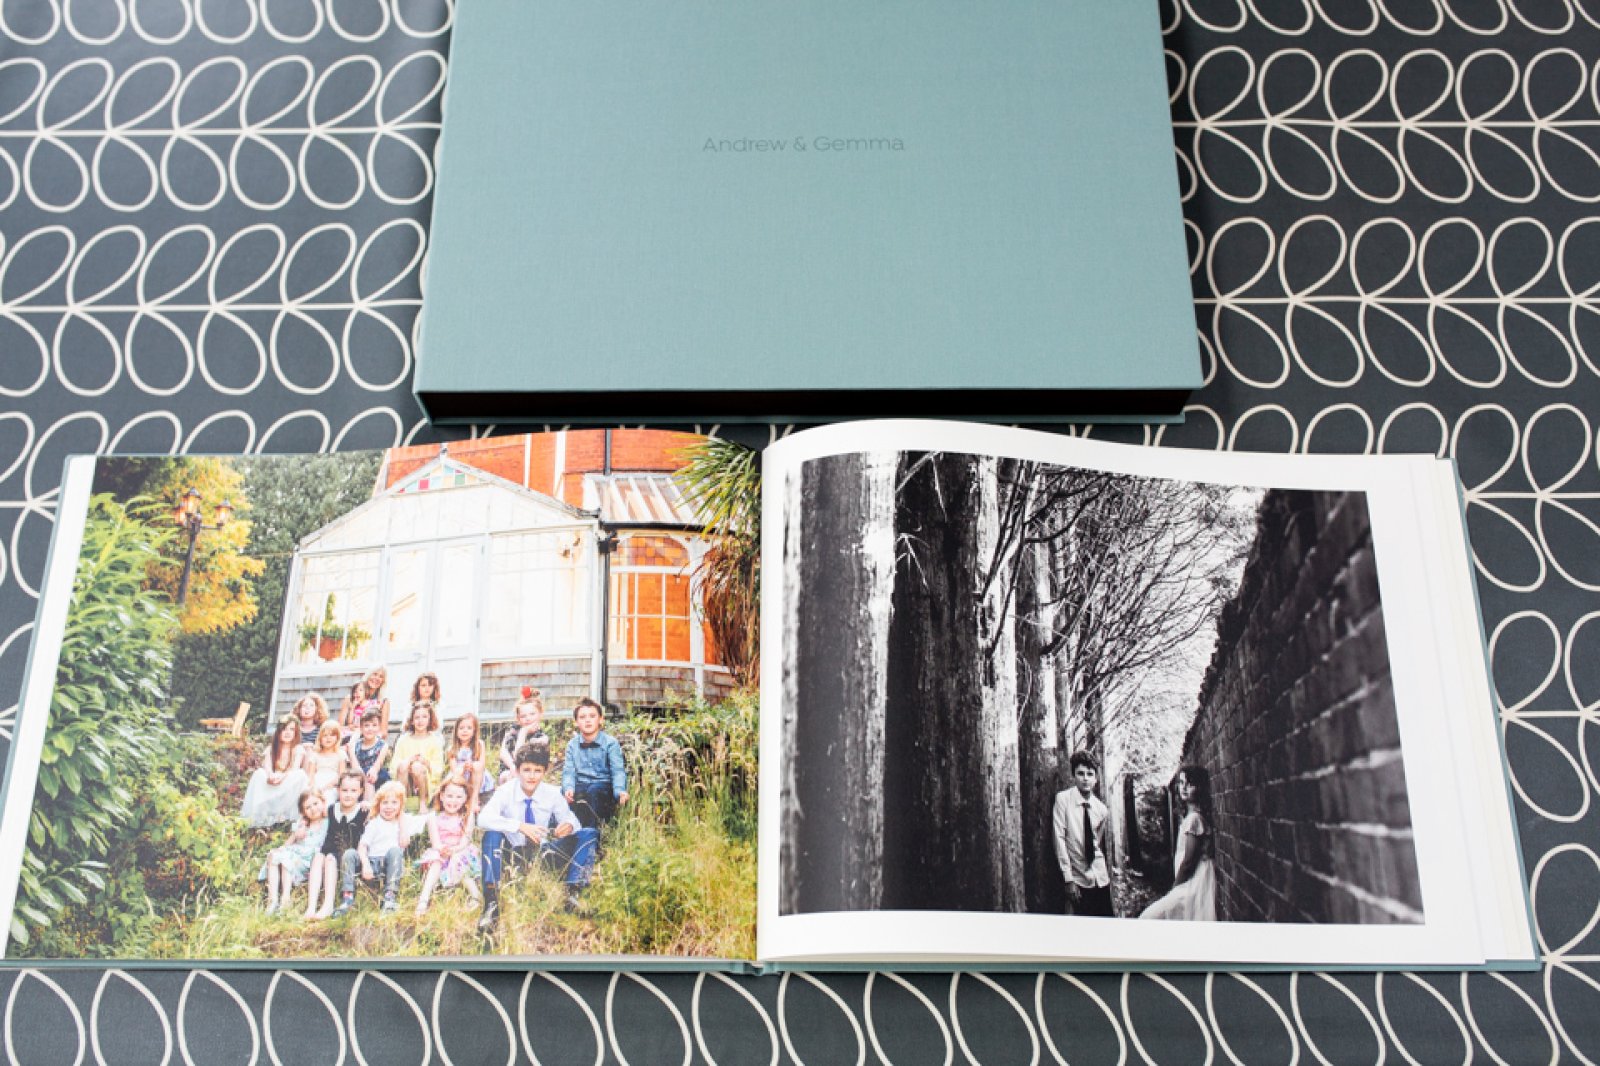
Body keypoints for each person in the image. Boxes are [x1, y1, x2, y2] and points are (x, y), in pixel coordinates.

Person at [477, 744, 599, 932]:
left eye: (537, 771)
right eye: (526, 770)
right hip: (512, 854)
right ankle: (491, 904)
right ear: (517, 770)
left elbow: (572, 820)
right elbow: (483, 819)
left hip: (542, 855)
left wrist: (568, 825)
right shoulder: (505, 792)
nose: (531, 776)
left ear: (545, 771)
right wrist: (519, 826)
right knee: (491, 834)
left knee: (589, 833)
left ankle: (573, 893)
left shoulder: (552, 793)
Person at [1140, 766, 1218, 921]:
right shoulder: (1190, 817)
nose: (1184, 788)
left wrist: (1175, 887)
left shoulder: (1194, 819)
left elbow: (1189, 861)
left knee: (1148, 917)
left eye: (1190, 784)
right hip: (1190, 880)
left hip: (1195, 881)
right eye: (1182, 783)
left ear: (1200, 788)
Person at [1052, 750, 1115, 917]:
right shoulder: (1063, 800)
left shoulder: (1101, 809)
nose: (1085, 778)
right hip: (1078, 879)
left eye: (1090, 774)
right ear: (1073, 775)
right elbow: (1059, 839)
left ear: (1096, 778)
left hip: (1100, 877)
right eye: (1080, 773)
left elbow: (1095, 842)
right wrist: (1068, 879)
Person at [338, 780, 413, 916]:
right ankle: (347, 898)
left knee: (395, 851)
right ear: (378, 805)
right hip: (371, 863)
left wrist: (404, 829)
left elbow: (427, 818)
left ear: (401, 806)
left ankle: (390, 897)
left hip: (389, 864)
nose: (389, 807)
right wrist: (366, 864)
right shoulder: (375, 823)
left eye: (394, 802)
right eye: (385, 803)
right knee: (349, 853)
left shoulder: (403, 823)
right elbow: (362, 846)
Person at [415, 777, 482, 916]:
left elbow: (465, 841)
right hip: (441, 851)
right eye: (449, 796)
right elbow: (435, 842)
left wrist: (454, 850)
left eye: (459, 797)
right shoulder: (433, 817)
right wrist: (443, 850)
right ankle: (423, 899)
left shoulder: (467, 816)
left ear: (465, 798)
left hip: (460, 850)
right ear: (442, 796)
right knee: (436, 859)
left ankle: (476, 896)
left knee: (458, 858)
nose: (453, 801)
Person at [562, 697, 628, 829]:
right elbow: (569, 771)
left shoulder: (610, 743)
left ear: (601, 719)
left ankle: (592, 832)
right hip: (581, 785)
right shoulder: (572, 745)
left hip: (602, 787)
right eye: (582, 717)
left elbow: (617, 771)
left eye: (592, 716)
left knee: (594, 792)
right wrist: (568, 788)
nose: (587, 720)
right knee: (562, 795)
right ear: (576, 722)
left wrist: (620, 791)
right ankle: (568, 830)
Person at [260, 789, 329, 915]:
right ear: (303, 812)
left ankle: (285, 899)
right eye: (308, 807)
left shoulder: (327, 822)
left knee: (287, 859)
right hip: (295, 853)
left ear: (323, 802)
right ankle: (272, 899)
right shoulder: (302, 824)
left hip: (309, 860)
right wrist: (295, 835)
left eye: (315, 804)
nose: (313, 809)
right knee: (274, 855)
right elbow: (289, 843)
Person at [240, 717, 311, 828]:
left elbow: (294, 768)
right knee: (259, 773)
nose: (287, 732)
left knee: (300, 775)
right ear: (278, 732)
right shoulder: (272, 748)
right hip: (273, 778)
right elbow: (267, 766)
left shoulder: (298, 749)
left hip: (288, 779)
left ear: (296, 733)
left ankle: (290, 818)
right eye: (284, 729)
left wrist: (282, 777)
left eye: (291, 729)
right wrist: (270, 776)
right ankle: (258, 817)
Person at [316, 772, 368, 920]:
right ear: (338, 790)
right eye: (344, 790)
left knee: (330, 859)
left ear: (361, 791)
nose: (348, 794)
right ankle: (314, 906)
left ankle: (328, 904)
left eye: (353, 791)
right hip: (330, 853)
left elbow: (384, 809)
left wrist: (370, 803)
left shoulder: (363, 811)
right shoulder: (332, 809)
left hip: (350, 858)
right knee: (321, 857)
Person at [390, 700, 445, 809]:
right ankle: (401, 803)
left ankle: (423, 803)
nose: (420, 721)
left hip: (426, 782)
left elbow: (438, 769)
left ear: (430, 719)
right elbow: (394, 766)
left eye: (424, 717)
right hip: (405, 781)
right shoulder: (403, 740)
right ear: (411, 721)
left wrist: (426, 763)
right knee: (403, 764)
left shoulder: (435, 741)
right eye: (417, 717)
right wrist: (408, 762)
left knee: (417, 766)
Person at [496, 688, 548, 790]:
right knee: (511, 777)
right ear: (518, 718)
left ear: (540, 714)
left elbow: (519, 757)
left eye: (532, 714)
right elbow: (503, 753)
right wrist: (513, 768)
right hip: (509, 771)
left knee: (520, 778)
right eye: (523, 716)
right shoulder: (513, 730)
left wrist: (523, 733)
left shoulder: (541, 738)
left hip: (530, 773)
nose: (528, 718)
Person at [443, 712, 487, 807]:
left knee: (477, 766)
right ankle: (457, 797)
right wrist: (463, 767)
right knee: (457, 771)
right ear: (456, 731)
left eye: (469, 728)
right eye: (461, 728)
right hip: (460, 774)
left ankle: (474, 798)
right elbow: (454, 769)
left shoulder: (479, 744)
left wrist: (471, 765)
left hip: (476, 776)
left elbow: (482, 764)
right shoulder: (452, 748)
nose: (465, 731)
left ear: (474, 731)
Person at [346, 710, 390, 802]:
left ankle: (368, 806)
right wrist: (351, 750)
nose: (370, 729)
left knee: (369, 778)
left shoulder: (382, 745)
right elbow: (356, 769)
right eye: (366, 725)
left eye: (374, 725)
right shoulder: (355, 745)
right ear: (361, 728)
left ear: (379, 727)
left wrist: (372, 772)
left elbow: (377, 765)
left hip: (377, 776)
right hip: (359, 776)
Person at [339, 666, 390, 736]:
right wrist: (351, 729)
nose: (377, 678)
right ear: (368, 675)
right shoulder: (350, 698)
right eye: (375, 674)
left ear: (383, 681)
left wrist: (366, 735)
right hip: (349, 737)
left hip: (371, 739)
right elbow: (339, 727)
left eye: (381, 676)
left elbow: (383, 733)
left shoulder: (383, 702)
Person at [304, 720, 349, 798]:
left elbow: (341, 775)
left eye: (332, 735)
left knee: (327, 796)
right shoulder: (315, 755)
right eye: (325, 735)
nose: (328, 738)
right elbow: (311, 775)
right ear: (320, 738)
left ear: (337, 737)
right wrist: (314, 788)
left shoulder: (341, 754)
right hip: (316, 783)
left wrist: (325, 788)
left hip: (333, 785)